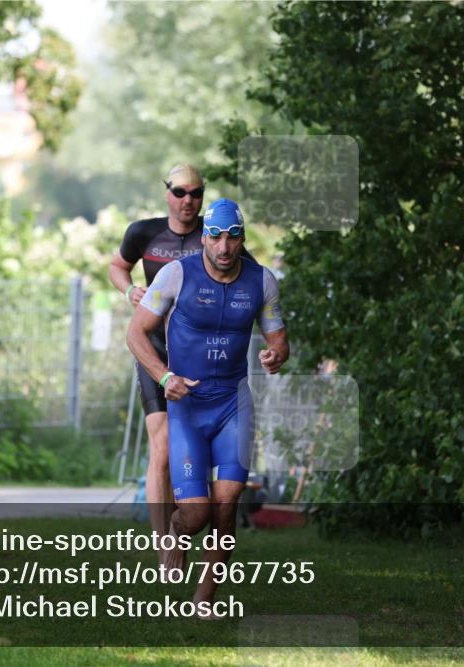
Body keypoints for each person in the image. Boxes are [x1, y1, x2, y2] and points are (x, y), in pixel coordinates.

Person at [127, 198, 288, 615]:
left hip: (234, 405)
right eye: (215, 237)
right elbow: (136, 335)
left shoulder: (262, 281)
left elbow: (278, 339)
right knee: (195, 515)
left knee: (226, 505)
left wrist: (276, 355)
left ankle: (203, 601)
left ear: (241, 239)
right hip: (189, 408)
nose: (223, 247)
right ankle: (178, 534)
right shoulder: (175, 275)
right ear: (204, 238)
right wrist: (164, 377)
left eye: (232, 238)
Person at [108, 165, 252, 564]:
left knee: (197, 450)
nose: (187, 200)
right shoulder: (144, 232)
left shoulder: (218, 238)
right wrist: (131, 291)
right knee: (164, 447)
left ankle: (188, 520)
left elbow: (247, 277)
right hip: (156, 352)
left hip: (206, 363)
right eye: (180, 192)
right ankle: (166, 543)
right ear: (167, 193)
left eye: (196, 193)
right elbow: (116, 267)